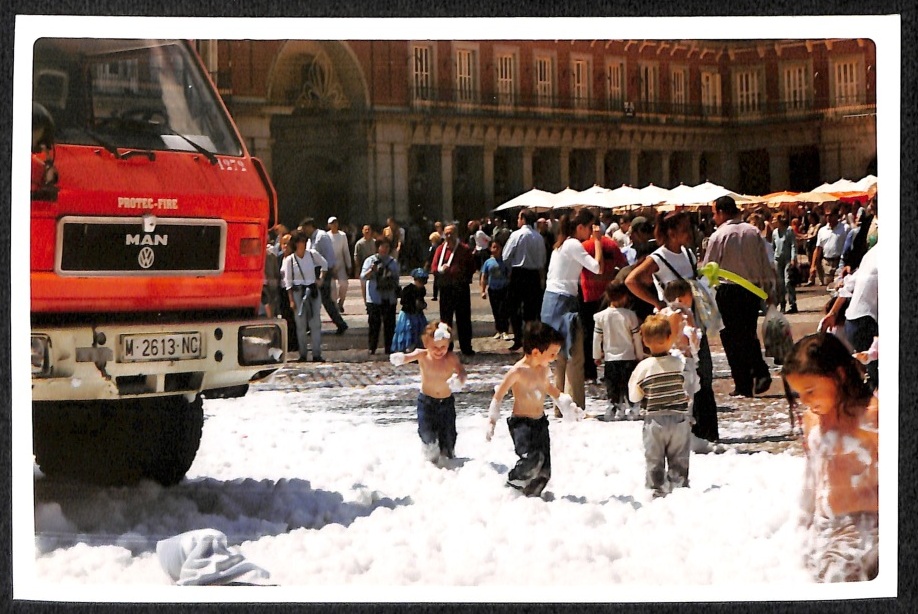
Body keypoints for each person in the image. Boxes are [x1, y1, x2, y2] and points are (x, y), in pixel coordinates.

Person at [781, 333, 878, 582]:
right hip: (829, 530)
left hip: (870, 530)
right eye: (799, 394)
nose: (805, 401)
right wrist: (801, 530)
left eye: (811, 391)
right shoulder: (814, 422)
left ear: (839, 376)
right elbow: (811, 481)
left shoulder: (873, 417)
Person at [626, 210, 720, 445]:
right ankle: (691, 431)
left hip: (694, 317)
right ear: (671, 232)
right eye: (685, 229)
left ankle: (706, 431)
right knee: (685, 372)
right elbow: (631, 280)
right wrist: (657, 302)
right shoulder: (658, 257)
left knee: (703, 372)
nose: (689, 233)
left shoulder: (687, 253)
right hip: (675, 324)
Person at [486, 321, 583, 497]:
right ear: (537, 352)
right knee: (532, 458)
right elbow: (498, 395)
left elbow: (551, 390)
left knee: (544, 468)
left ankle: (531, 496)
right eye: (552, 353)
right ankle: (513, 483)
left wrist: (568, 405)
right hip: (521, 424)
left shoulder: (543, 369)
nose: (555, 357)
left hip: (540, 423)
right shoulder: (518, 371)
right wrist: (492, 420)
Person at [702, 195, 776, 399]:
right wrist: (769, 290)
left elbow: (708, 266)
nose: (713, 217)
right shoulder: (753, 232)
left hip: (729, 291)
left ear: (722, 212)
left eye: (714, 213)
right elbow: (765, 263)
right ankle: (756, 376)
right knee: (748, 334)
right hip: (752, 290)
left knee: (731, 338)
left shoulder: (719, 235)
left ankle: (746, 381)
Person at [540, 210, 603, 415]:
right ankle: (575, 406)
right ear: (581, 227)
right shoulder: (574, 244)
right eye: (591, 227)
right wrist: (598, 242)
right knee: (575, 356)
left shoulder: (560, 245)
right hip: (565, 301)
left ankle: (560, 407)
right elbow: (597, 267)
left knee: (559, 356)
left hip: (550, 301)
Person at [628, 314, 693, 498]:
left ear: (645, 341)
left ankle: (657, 491)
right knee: (679, 457)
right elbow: (691, 385)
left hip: (654, 420)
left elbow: (633, 395)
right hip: (679, 419)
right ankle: (679, 489)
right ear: (669, 337)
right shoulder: (679, 364)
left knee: (654, 458)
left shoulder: (643, 367)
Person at [390, 321, 468, 465]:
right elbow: (409, 357)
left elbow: (462, 371)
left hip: (446, 403)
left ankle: (448, 458)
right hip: (426, 403)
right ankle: (430, 459)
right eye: (435, 347)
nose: (439, 351)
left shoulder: (451, 358)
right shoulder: (422, 355)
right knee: (427, 433)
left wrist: (459, 379)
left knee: (449, 436)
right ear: (426, 344)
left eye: (443, 347)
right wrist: (401, 358)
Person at [820, 238, 879, 391]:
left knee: (872, 374)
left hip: (853, 322)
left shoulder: (871, 254)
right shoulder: (886, 254)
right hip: (867, 322)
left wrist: (833, 313)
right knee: (879, 377)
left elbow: (849, 285)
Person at [580, 227, 628, 383]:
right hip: (607, 295)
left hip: (588, 294)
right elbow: (623, 265)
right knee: (608, 334)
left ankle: (590, 373)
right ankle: (609, 372)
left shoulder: (584, 246)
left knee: (589, 334)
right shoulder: (612, 245)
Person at [592, 281, 644, 420]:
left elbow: (597, 338)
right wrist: (639, 355)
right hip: (628, 356)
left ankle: (614, 408)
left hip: (610, 358)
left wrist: (596, 355)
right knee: (630, 384)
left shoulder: (600, 317)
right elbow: (636, 338)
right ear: (624, 297)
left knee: (612, 385)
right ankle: (633, 409)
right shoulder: (630, 315)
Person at [502, 208, 548, 351]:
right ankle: (530, 338)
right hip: (533, 275)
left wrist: (510, 268)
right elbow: (542, 260)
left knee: (514, 308)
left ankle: (518, 338)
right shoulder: (539, 237)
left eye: (518, 218)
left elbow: (506, 256)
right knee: (531, 309)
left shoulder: (517, 235)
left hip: (518, 274)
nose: (517, 220)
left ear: (523, 219)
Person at [281, 230, 328, 362]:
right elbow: (288, 282)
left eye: (303, 241)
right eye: (299, 241)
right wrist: (291, 300)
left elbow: (325, 264)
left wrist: (321, 279)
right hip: (298, 292)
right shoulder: (290, 260)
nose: (302, 244)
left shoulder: (312, 255)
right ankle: (303, 354)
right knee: (300, 324)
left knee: (315, 323)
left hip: (312, 290)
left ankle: (317, 353)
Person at [432, 224, 477, 357]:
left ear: (456, 234)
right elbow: (434, 267)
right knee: (445, 320)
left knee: (463, 319)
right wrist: (440, 271)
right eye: (446, 233)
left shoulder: (464, 249)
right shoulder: (440, 249)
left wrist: (462, 275)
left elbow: (472, 267)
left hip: (461, 288)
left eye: (451, 233)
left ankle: (466, 347)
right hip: (446, 288)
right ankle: (447, 347)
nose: (449, 236)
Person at [301, 217, 349, 335]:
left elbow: (329, 256)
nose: (304, 231)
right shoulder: (310, 240)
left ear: (310, 226)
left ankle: (340, 324)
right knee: (313, 300)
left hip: (322, 271)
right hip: (313, 272)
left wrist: (325, 274)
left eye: (305, 228)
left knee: (324, 300)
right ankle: (313, 326)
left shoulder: (321, 237)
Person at [361, 237, 401, 355]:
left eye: (387, 247)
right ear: (377, 247)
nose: (385, 249)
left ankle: (389, 347)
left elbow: (397, 278)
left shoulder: (393, 262)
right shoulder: (370, 260)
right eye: (382, 246)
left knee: (389, 324)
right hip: (374, 297)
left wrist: (389, 275)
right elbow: (363, 277)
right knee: (374, 323)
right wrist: (372, 270)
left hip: (389, 296)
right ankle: (372, 347)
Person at [480, 240, 512, 341]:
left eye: (497, 247)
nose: (495, 249)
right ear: (490, 249)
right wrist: (483, 290)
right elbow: (484, 276)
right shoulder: (488, 262)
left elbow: (510, 274)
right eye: (493, 247)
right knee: (495, 311)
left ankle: (505, 331)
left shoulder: (505, 261)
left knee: (504, 310)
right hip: (493, 289)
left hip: (504, 289)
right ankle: (498, 330)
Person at [392, 268, 430, 353]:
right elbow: (403, 302)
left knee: (419, 330)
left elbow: (421, 300)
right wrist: (413, 303)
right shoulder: (408, 289)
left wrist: (423, 305)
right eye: (420, 281)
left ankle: (418, 347)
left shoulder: (422, 289)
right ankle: (407, 347)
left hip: (418, 314)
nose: (422, 283)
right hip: (408, 314)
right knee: (408, 330)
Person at [812, 204, 847, 287]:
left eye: (830, 215)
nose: (828, 218)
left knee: (839, 286)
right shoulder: (822, 230)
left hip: (839, 261)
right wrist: (813, 266)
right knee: (829, 287)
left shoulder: (845, 228)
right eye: (826, 215)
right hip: (826, 262)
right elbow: (818, 248)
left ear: (836, 215)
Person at [772, 213, 799, 314]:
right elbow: (773, 246)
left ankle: (793, 303)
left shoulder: (789, 230)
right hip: (778, 260)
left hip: (787, 259)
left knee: (788, 282)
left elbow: (793, 244)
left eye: (775, 219)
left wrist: (793, 258)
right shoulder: (774, 232)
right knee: (780, 283)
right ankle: (782, 304)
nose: (773, 221)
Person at [327, 216, 352, 313]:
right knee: (332, 287)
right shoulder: (326, 236)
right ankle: (335, 307)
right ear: (329, 225)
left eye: (336, 222)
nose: (334, 225)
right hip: (330, 264)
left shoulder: (342, 235)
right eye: (332, 223)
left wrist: (348, 265)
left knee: (344, 284)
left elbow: (345, 250)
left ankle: (341, 302)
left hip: (340, 263)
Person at [426, 231, 442, 301]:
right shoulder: (441, 246)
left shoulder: (432, 247)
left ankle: (435, 295)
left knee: (436, 281)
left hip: (435, 264)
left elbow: (430, 256)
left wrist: (427, 265)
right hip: (441, 264)